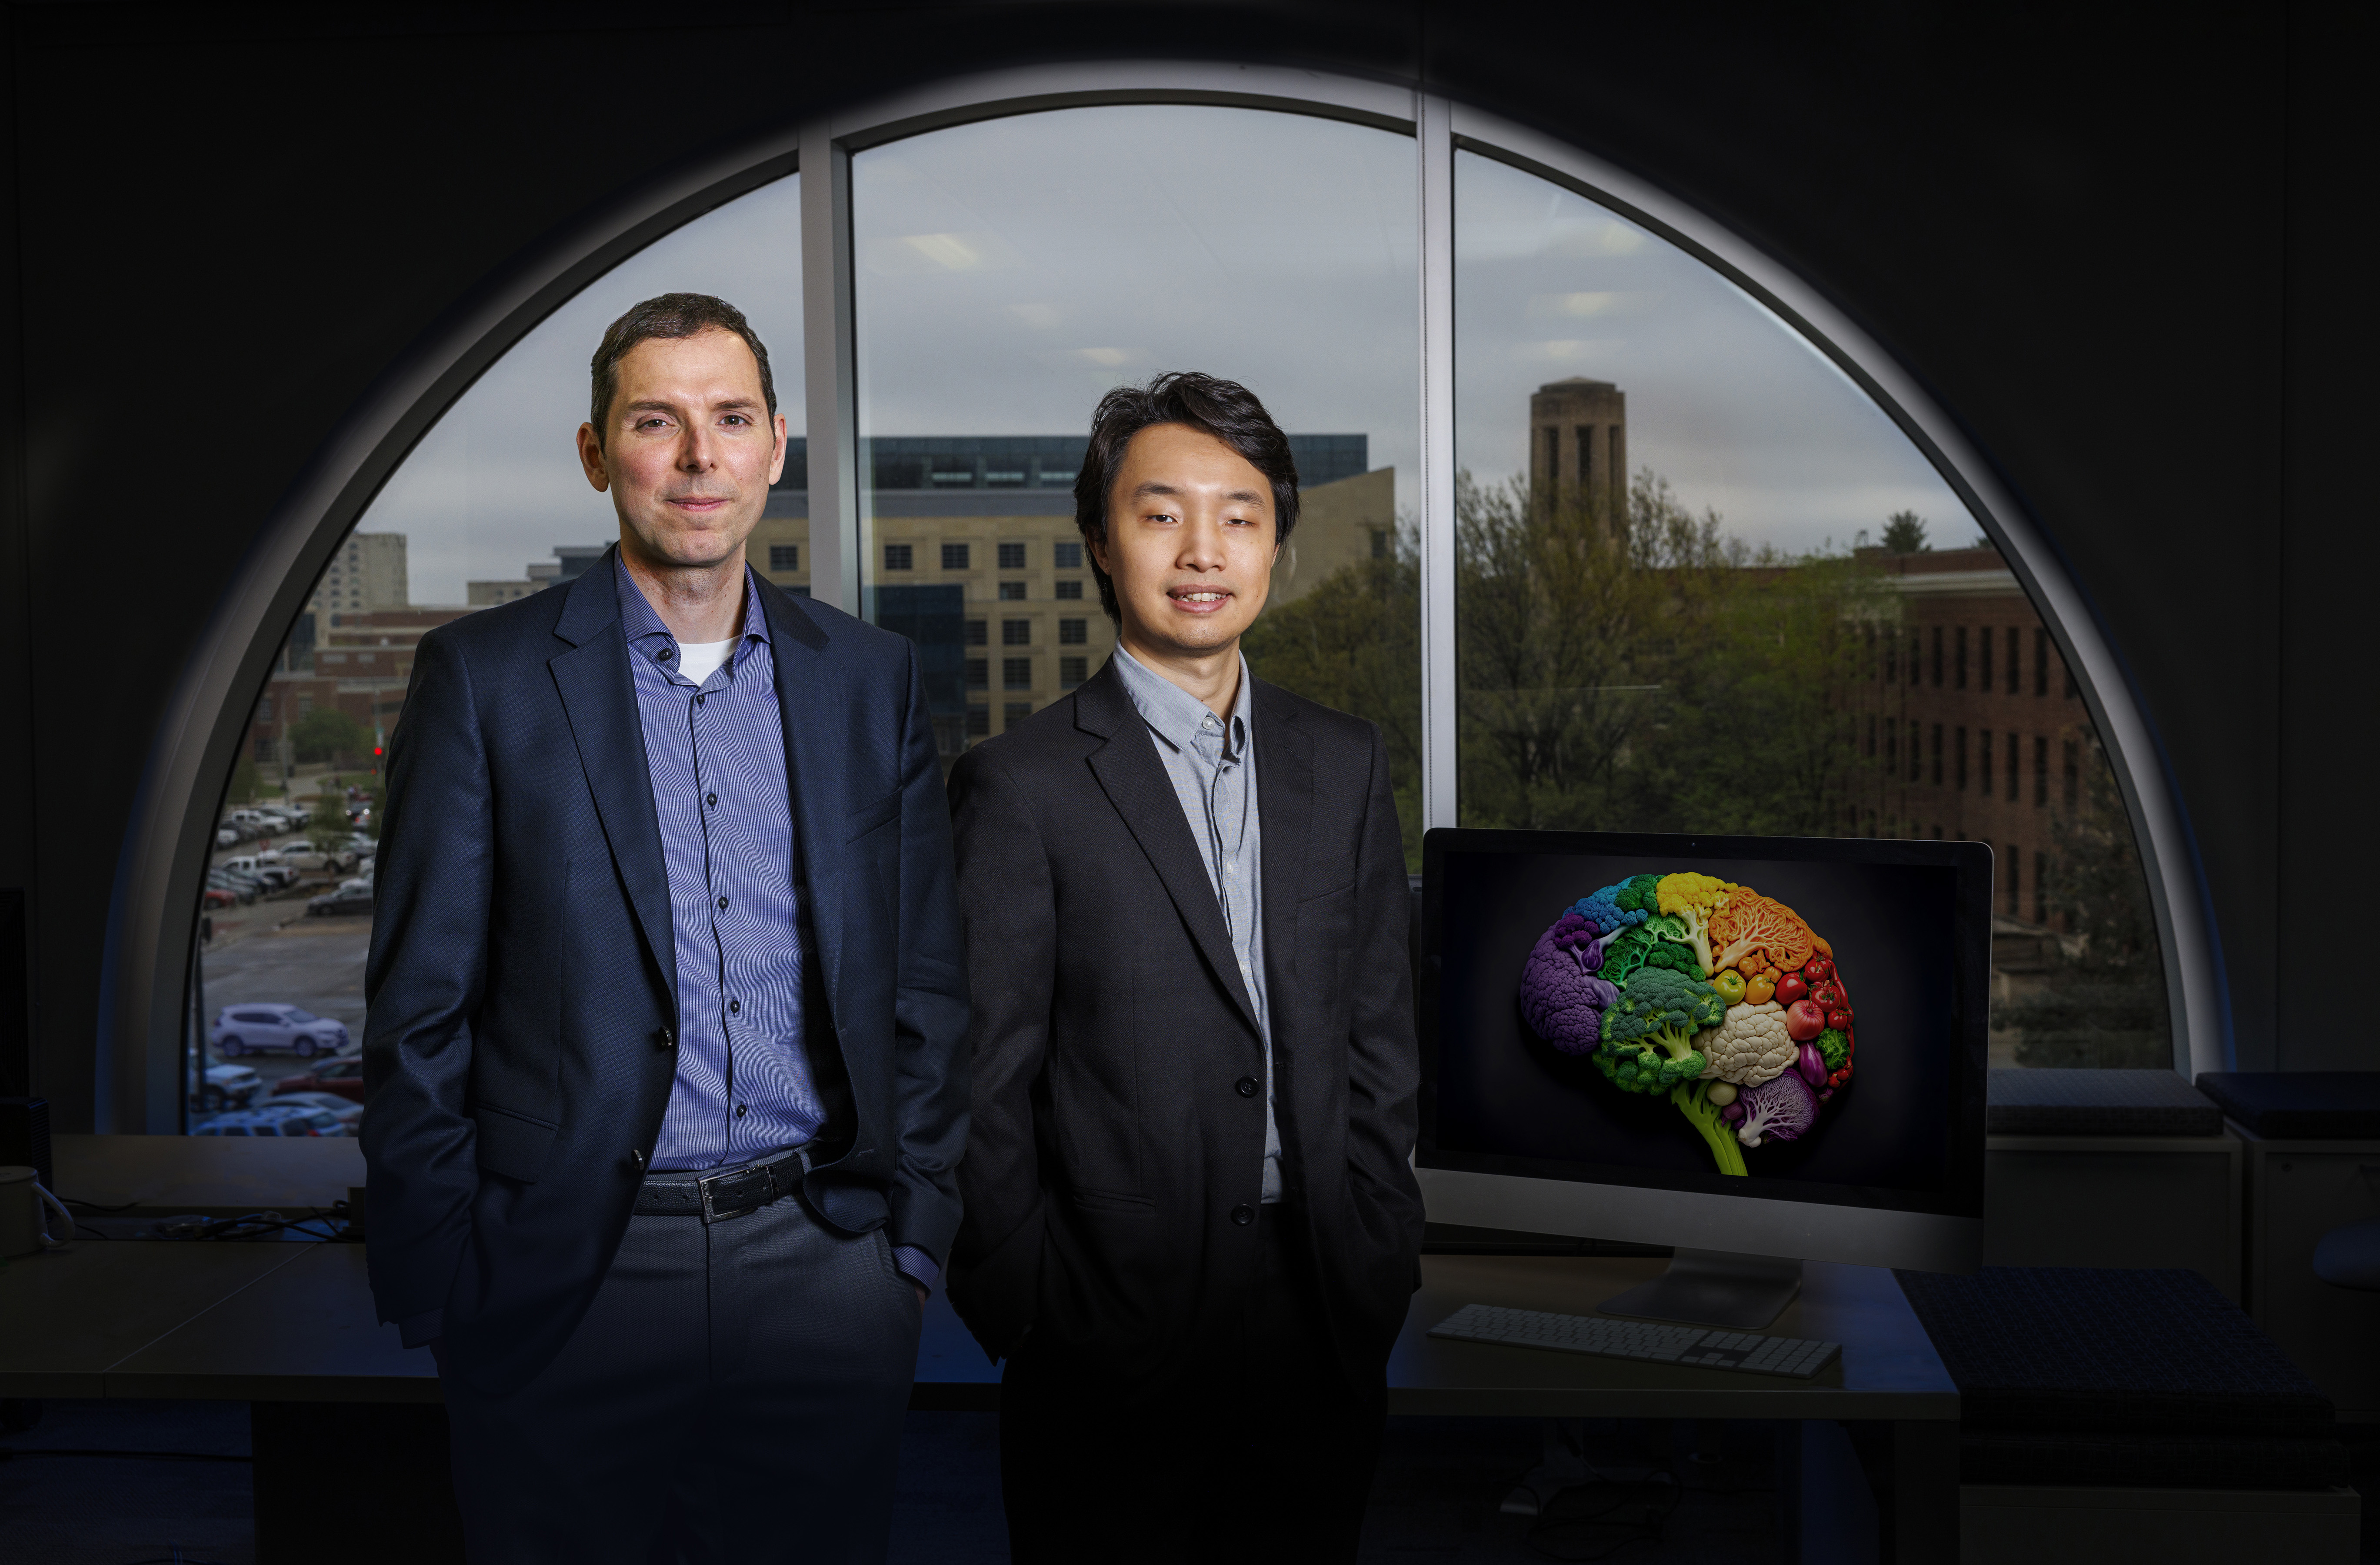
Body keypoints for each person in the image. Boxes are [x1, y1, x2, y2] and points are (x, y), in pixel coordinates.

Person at [361, 293, 969, 1563]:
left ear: (775, 445)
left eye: (730, 419)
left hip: (823, 1271)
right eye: (658, 422)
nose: (699, 459)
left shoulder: (868, 679)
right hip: (567, 1279)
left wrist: (908, 1247)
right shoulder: (481, 680)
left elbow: (923, 981)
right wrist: (448, 1289)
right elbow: (418, 1009)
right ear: (598, 453)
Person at [945, 371, 1425, 1562]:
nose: (1202, 548)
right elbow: (978, 1081)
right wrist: (1027, 1305)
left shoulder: (1344, 761)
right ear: (1103, 545)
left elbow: (1377, 1031)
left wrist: (1376, 1254)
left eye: (1240, 513)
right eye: (1160, 513)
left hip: (1319, 1309)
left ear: (1276, 546)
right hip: (1107, 1321)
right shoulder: (1022, 785)